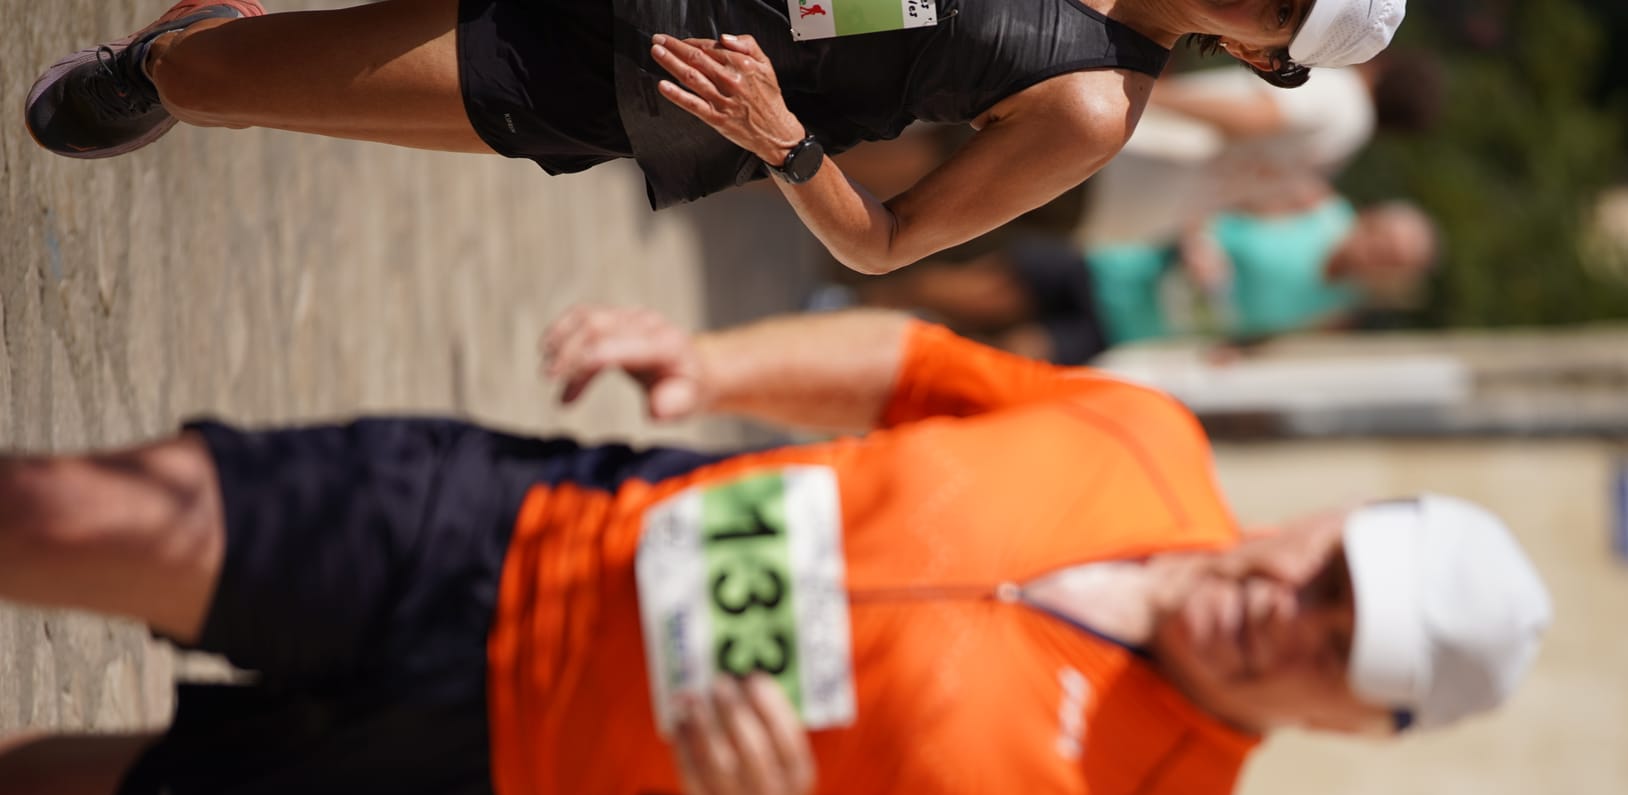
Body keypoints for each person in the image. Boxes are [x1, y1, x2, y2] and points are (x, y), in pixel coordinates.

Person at [0, 303, 1551, 795]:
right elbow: (918, 367)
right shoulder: (1146, 444)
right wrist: (714, 353)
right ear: (1338, 517)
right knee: (67, 517)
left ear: (1356, 724)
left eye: (1341, 653)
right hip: (517, 530)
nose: (1291, 612)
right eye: (1334, 570)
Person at [23, 0, 1407, 274]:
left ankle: (175, 57)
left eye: (1282, 6)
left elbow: (889, 244)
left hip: (635, 68)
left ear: (1267, 55)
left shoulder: (1093, 102)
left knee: (220, 78)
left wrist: (782, 139)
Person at [850, 196, 1438, 364]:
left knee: (1007, 359)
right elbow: (1213, 204)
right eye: (1390, 242)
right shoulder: (1314, 207)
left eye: (1396, 261)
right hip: (1112, 267)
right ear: (1376, 221)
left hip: (1128, 328)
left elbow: (1265, 337)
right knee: (973, 295)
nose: (1383, 256)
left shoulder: (1338, 311)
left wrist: (1235, 350)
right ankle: (863, 296)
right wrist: (1201, 248)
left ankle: (879, 355)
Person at [1079, 48, 1447, 245]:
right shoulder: (1344, 150)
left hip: (1123, 154)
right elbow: (1261, 205)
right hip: (1136, 218)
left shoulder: (1340, 94)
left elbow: (1252, 118)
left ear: (1385, 65)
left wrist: (1151, 94)